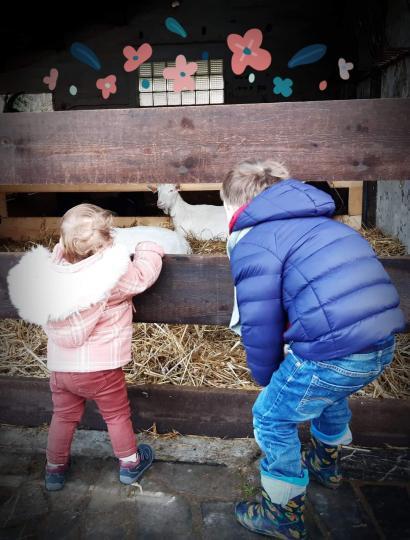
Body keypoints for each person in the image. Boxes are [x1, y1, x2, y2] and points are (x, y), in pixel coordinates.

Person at [221, 160, 404, 539]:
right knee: (327, 396)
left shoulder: (255, 241)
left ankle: (281, 512)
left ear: (238, 206)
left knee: (271, 415)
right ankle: (326, 465)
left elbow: (260, 322)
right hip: (381, 346)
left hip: (334, 353)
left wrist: (266, 376)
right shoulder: (327, 225)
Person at [8, 203, 164, 491]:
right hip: (102, 369)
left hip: (62, 369)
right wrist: (150, 250)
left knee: (63, 416)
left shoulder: (55, 274)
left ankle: (54, 468)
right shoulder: (110, 274)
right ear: (105, 242)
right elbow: (142, 276)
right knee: (116, 415)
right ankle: (130, 463)